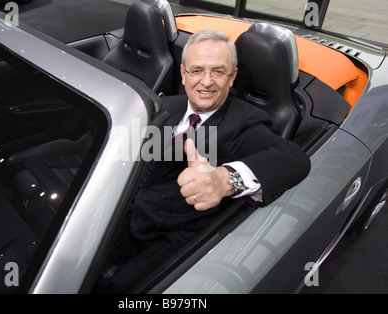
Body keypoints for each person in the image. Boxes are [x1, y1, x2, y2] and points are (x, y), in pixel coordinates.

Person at [95, 29, 310, 293]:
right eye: (197, 70)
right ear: (183, 75)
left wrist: (224, 180)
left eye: (218, 72)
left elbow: (293, 158)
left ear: (232, 78)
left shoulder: (244, 122)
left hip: (175, 241)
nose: (206, 82)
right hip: (126, 217)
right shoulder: (166, 107)